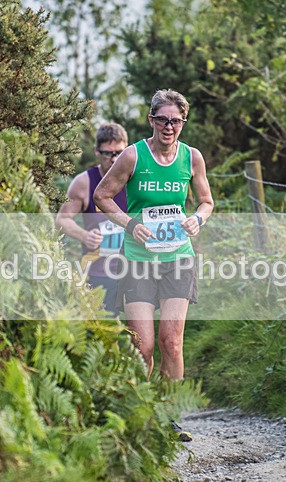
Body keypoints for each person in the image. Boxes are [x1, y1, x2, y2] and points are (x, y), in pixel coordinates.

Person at [94, 90, 213, 441]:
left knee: (171, 342)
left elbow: (206, 201)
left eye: (176, 120)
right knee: (142, 345)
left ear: (183, 123)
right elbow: (102, 196)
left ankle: (169, 417)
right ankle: (138, 412)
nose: (169, 126)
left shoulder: (192, 158)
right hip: (139, 260)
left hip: (178, 258)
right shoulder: (133, 156)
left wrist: (198, 219)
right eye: (162, 119)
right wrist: (130, 224)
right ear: (151, 120)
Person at [56, 123, 128, 316]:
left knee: (136, 336)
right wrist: (84, 235)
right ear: (97, 151)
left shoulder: (136, 181)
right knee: (103, 333)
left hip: (133, 272)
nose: (114, 160)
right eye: (108, 154)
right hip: (98, 274)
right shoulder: (84, 182)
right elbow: (62, 219)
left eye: (119, 153)